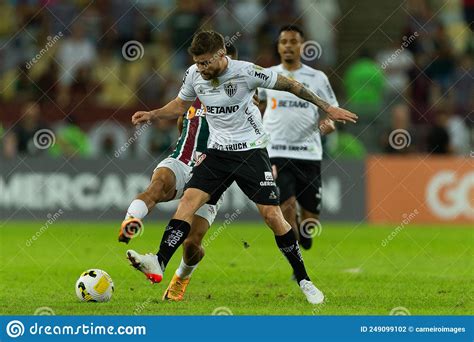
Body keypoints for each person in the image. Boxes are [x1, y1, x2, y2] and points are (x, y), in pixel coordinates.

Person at [127, 30, 357, 304]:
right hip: (217, 154)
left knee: (273, 216)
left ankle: (305, 280)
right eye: (197, 63)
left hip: (251, 153)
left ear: (221, 55)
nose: (201, 69)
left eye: (205, 63)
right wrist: (152, 114)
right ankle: (159, 261)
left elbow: (292, 86)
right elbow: (180, 104)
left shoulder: (247, 72)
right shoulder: (194, 74)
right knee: (187, 203)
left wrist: (326, 107)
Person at [118, 45, 239, 301]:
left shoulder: (242, 96)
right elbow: (179, 116)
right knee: (158, 185)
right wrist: (153, 115)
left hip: (211, 175)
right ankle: (130, 222)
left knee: (192, 243)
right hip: (182, 161)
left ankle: (181, 278)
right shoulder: (194, 87)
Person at [258, 25, 337, 252]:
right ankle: (296, 263)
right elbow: (256, 104)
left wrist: (328, 124)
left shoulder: (317, 78)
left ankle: (305, 227)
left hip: (308, 152)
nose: (288, 46)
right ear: (279, 46)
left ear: (302, 46)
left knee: (310, 220)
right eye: (284, 42)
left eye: (293, 42)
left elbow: (332, 111)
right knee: (287, 205)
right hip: (276, 152)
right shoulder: (268, 75)